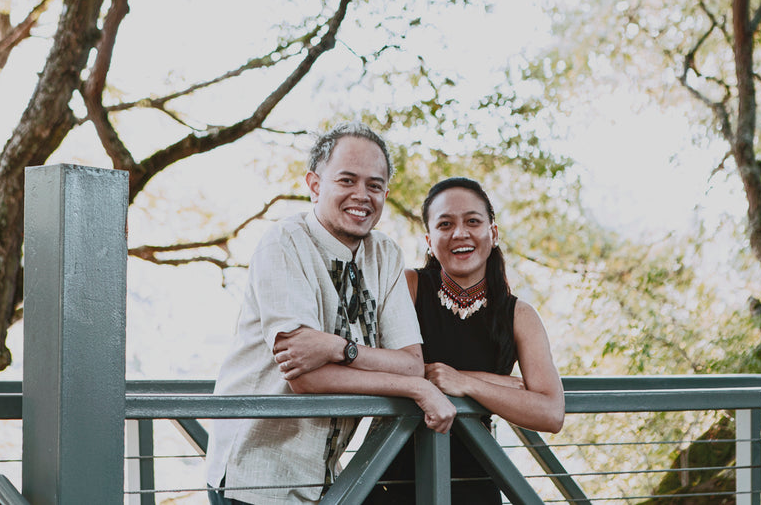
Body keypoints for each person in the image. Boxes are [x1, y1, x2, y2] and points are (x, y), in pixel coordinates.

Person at [205, 123, 456, 505]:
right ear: (315, 183)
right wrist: (416, 388)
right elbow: (306, 378)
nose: (362, 195)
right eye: (347, 180)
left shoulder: (384, 255)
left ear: (386, 193)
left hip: (324, 481)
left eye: (374, 185)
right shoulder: (284, 243)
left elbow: (409, 363)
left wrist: (337, 348)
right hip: (256, 480)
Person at [365, 176, 565, 504]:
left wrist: (466, 381)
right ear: (430, 240)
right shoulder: (409, 287)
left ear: (493, 233)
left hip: (476, 479)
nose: (460, 233)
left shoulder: (519, 315)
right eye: (446, 224)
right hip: (391, 474)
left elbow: (551, 413)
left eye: (473, 221)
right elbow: (373, 367)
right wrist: (502, 384)